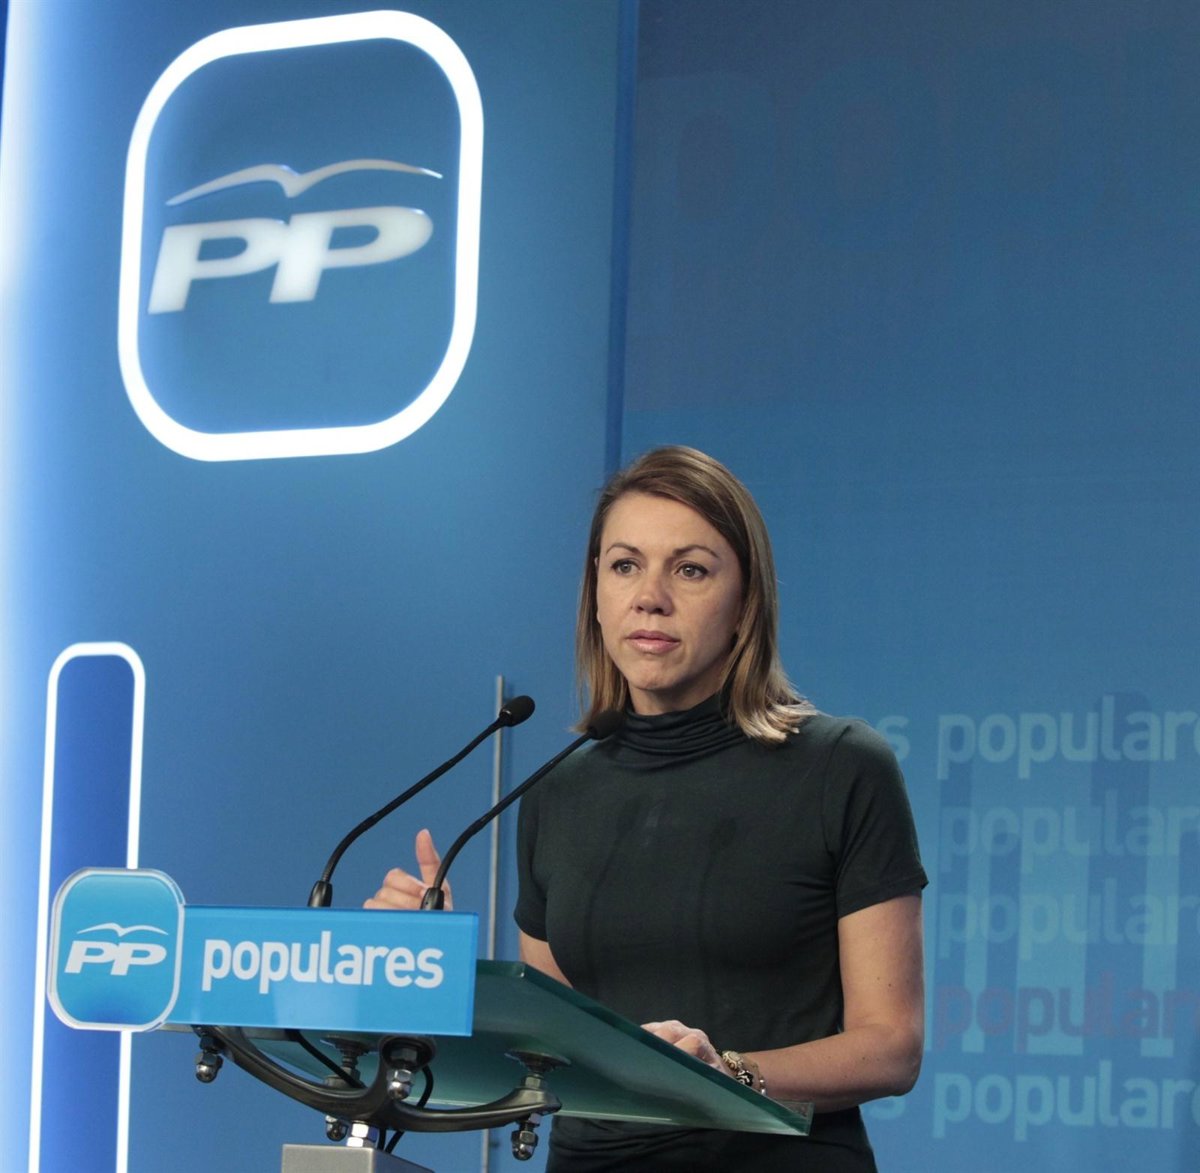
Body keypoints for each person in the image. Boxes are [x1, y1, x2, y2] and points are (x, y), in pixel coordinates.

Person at [367, 446, 927, 1171]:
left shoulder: (841, 768)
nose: (650, 596)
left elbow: (891, 1046)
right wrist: (438, 971)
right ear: (596, 597)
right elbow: (557, 1043)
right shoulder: (557, 791)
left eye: (690, 569)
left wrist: (727, 1072)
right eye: (625, 565)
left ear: (746, 604)